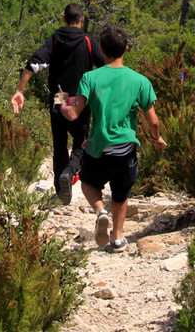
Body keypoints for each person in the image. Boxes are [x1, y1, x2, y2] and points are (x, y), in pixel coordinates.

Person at [60, 22, 166, 252]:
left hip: (98, 147)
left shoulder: (90, 78)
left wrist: (62, 103)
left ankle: (100, 212)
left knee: (88, 182)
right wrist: (155, 137)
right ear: (126, 48)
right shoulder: (140, 81)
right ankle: (117, 239)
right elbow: (154, 121)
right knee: (121, 193)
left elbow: (74, 113)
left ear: (101, 51)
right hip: (126, 150)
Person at [11, 2, 103, 205]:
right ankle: (69, 174)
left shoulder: (55, 40)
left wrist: (19, 91)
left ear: (64, 19)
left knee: (59, 142)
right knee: (81, 140)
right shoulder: (88, 42)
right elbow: (106, 67)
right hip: (80, 98)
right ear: (82, 20)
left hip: (59, 96)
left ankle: (61, 190)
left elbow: (34, 64)